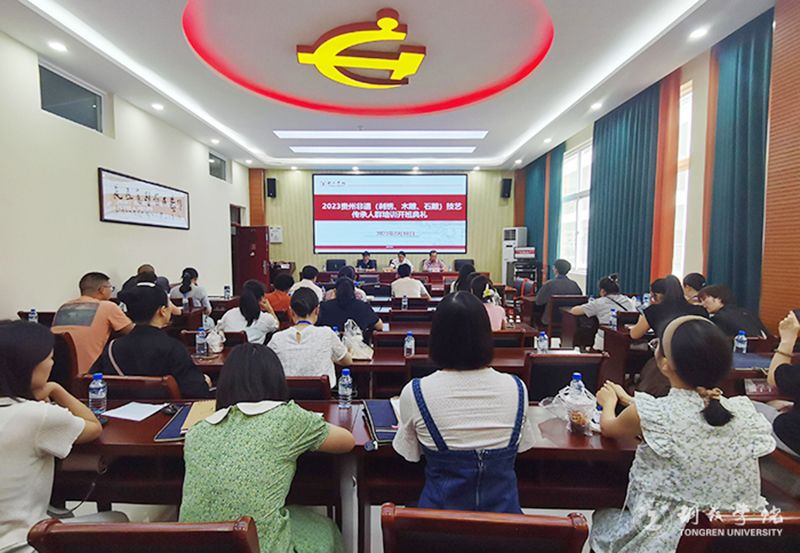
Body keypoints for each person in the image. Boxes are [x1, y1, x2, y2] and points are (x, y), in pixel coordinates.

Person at [590, 316, 775, 553]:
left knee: (603, 517)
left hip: (667, 539)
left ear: (665, 364)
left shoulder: (653, 413)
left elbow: (609, 427)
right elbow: (690, 414)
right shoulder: (744, 412)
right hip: (737, 539)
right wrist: (631, 401)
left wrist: (609, 401)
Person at [180, 343, 354, 553]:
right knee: (325, 529)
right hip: (260, 547)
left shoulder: (196, 431)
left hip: (192, 545)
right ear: (276, 380)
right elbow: (347, 441)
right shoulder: (287, 419)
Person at [393, 292, 536, 512]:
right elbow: (523, 446)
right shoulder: (517, 388)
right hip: (505, 525)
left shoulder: (415, 391)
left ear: (436, 337)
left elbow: (410, 454)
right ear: (487, 336)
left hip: (439, 523)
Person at [0, 321, 125, 553]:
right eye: (49, 358)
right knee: (118, 519)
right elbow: (94, 427)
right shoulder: (38, 416)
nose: (52, 363)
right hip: (23, 544)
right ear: (28, 366)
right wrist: (56, 389)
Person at [97, 284, 212, 399]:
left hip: (121, 408)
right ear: (162, 311)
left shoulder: (112, 347)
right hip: (166, 409)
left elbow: (96, 384)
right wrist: (206, 382)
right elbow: (196, 391)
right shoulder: (174, 348)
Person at [51, 272, 133, 375]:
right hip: (89, 375)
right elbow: (134, 332)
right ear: (102, 290)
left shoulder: (64, 307)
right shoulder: (108, 307)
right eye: (111, 288)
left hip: (56, 373)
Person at [267, 289, 352, 388]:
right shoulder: (327, 333)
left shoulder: (277, 338)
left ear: (291, 311)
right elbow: (347, 361)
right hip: (322, 397)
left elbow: (267, 367)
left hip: (287, 396)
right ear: (317, 310)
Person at [761, 311, 800, 457]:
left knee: (745, 408)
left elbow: (773, 378)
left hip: (793, 434)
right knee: (775, 404)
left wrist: (787, 339)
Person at [570, 273, 636, 350]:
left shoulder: (599, 302)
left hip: (606, 341)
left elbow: (574, 311)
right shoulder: (628, 301)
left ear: (603, 291)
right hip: (628, 342)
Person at [630, 275, 707, 340]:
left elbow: (634, 335)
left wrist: (641, 319)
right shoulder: (700, 310)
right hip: (699, 351)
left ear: (655, 295)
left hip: (668, 352)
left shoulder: (653, 311)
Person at [219, 280, 279, 344]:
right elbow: (277, 326)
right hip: (254, 350)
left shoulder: (229, 314)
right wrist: (270, 309)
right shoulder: (265, 318)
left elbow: (219, 330)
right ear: (261, 298)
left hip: (231, 350)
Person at [698, 285, 767, 338]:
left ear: (718, 298)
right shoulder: (747, 312)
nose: (703, 304)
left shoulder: (718, 318)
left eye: (704, 299)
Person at [319, 278, 384, 335]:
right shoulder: (363, 306)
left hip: (329, 344)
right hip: (357, 344)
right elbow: (379, 326)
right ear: (354, 291)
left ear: (335, 291)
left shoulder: (324, 307)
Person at [534, 259, 583, 325]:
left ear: (555, 269)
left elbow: (538, 302)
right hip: (571, 320)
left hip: (551, 319)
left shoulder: (549, 284)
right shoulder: (574, 284)